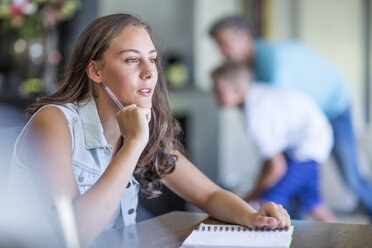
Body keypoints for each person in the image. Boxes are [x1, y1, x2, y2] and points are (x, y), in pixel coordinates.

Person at [6, 13, 290, 247]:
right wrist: (133, 144)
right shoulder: (53, 122)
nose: (149, 71)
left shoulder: (144, 127)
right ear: (95, 72)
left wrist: (253, 217)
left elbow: (208, 195)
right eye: (132, 59)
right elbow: (75, 235)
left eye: (152, 59)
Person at [209, 15, 372, 216]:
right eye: (218, 45)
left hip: (334, 107)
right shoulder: (252, 71)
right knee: (308, 196)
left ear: (243, 37)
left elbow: (276, 158)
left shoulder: (274, 65)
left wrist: (253, 194)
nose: (222, 52)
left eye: (224, 43)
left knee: (352, 178)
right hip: (310, 126)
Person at [211, 61, 336, 222]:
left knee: (266, 206)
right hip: (315, 141)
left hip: (305, 149)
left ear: (238, 90)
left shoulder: (256, 113)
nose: (213, 95)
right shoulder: (257, 94)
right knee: (314, 204)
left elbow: (276, 167)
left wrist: (249, 197)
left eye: (218, 90)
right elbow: (270, 160)